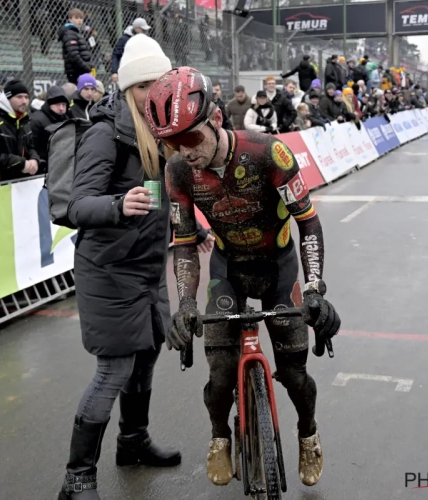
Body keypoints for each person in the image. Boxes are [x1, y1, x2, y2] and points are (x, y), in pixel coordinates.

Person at [144, 66, 341, 488]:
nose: (183, 151)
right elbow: (182, 243)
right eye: (170, 143)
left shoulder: (268, 151)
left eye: (190, 138)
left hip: (279, 268)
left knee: (295, 376)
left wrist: (314, 289)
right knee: (218, 375)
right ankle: (220, 437)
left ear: (215, 120)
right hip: (228, 270)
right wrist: (185, 306)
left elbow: (309, 223)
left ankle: (308, 431)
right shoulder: (178, 171)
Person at [58, 34, 181, 500]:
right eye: (148, 82)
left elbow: (157, 198)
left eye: (162, 80)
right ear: (131, 87)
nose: (158, 88)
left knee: (147, 357)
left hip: (147, 268)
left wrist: (193, 227)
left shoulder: (159, 132)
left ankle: (133, 441)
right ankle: (77, 479)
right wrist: (115, 203)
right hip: (108, 270)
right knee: (114, 370)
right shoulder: (104, 133)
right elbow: (77, 205)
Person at [0, 79, 40, 180]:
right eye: (19, 97)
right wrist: (21, 163)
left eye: (26, 97)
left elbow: (30, 147)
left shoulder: (24, 121)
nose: (24, 101)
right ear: (7, 99)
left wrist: (34, 159)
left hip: (20, 184)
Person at [30, 85, 70, 167]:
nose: (61, 108)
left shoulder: (66, 119)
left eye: (63, 104)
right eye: (58, 104)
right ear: (49, 104)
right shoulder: (36, 120)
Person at [110, 18, 151, 84]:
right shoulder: (124, 39)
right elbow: (116, 56)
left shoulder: (143, 39)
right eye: (143, 30)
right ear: (137, 28)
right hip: (128, 71)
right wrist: (114, 72)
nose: (145, 32)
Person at [59, 8, 94, 85]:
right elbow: (74, 55)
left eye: (81, 18)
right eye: (76, 18)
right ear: (70, 19)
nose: (79, 20)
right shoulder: (70, 33)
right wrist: (86, 67)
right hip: (76, 71)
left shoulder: (77, 33)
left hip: (80, 70)